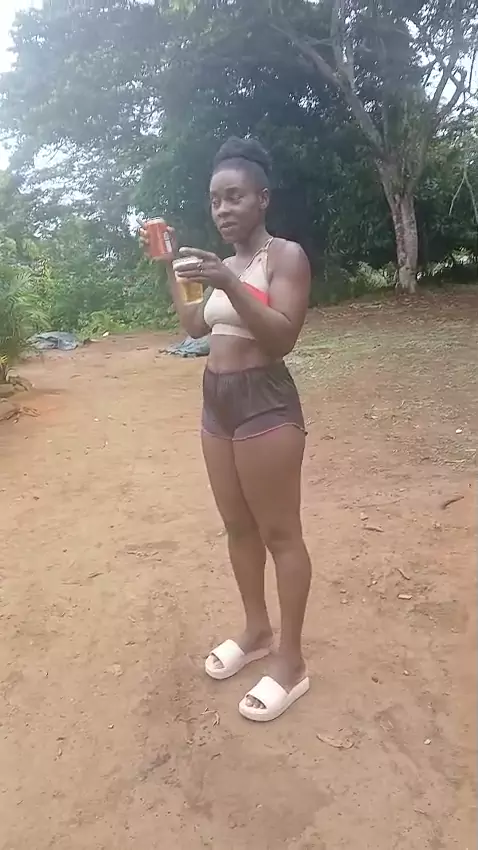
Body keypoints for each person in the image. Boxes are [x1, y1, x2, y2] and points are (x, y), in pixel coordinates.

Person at [140, 137, 312, 722]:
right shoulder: (223, 265)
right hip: (216, 400)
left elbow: (282, 336)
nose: (223, 209)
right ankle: (257, 631)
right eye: (215, 200)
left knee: (279, 533)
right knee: (237, 527)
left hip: (265, 402)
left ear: (262, 198)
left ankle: (291, 662)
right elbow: (196, 326)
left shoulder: (284, 257)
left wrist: (228, 281)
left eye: (234, 196)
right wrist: (174, 271)